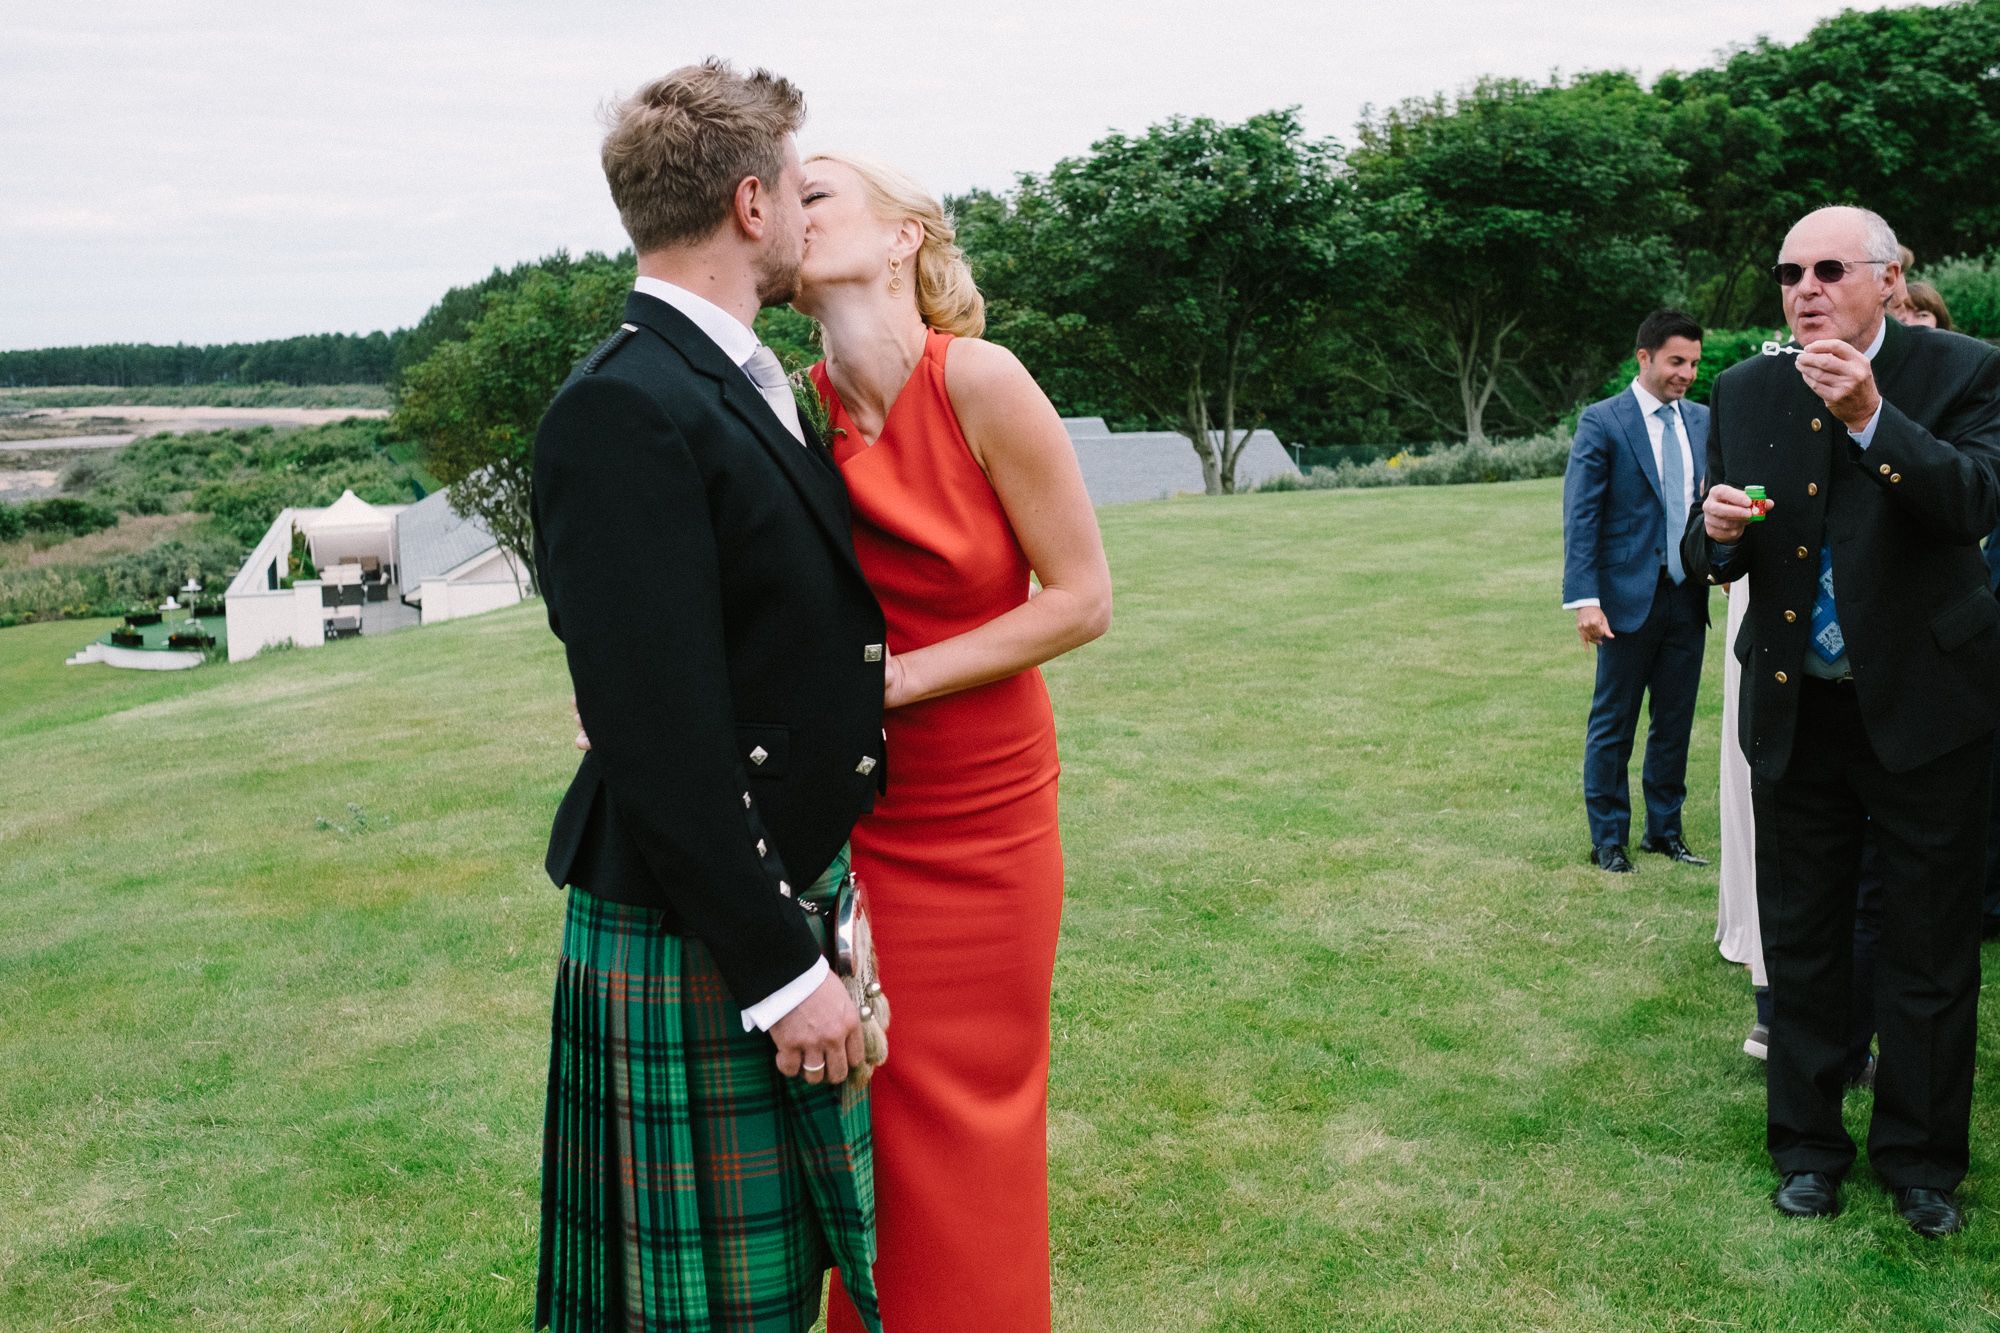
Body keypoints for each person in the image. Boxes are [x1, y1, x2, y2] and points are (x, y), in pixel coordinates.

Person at [530, 61, 889, 1330]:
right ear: (750, 203)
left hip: (768, 890)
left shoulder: (731, 376)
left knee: (775, 1291)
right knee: (706, 1315)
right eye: (797, 187)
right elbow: (660, 736)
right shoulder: (624, 404)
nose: (805, 212)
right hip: (699, 922)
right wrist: (783, 974)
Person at [797, 153, 1112, 1331]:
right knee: (864, 1136)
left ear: (902, 236)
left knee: (972, 1135)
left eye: (818, 186)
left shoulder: (979, 380)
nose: (790, 202)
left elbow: (1078, 598)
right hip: (854, 827)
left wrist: (891, 682)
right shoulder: (791, 413)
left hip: (986, 832)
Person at [1686, 205, 2000, 1238]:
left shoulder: (1961, 370)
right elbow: (1711, 551)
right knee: (1806, 941)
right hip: (1798, 709)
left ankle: (1918, 1162)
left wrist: (1871, 417)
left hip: (1925, 710)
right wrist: (1714, 533)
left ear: (1886, 275)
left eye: (1827, 268)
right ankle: (1807, 1151)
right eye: (1787, 272)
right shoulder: (1742, 389)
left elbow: (1969, 504)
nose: (1804, 288)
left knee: (1925, 945)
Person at [1561, 310, 1712, 873]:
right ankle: (1608, 841)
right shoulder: (1603, 421)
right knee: (1614, 723)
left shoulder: (1700, 420)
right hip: (1623, 600)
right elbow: (1582, 517)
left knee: (1674, 722)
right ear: (1643, 357)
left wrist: (1718, 566)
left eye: (1695, 363)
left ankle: (1664, 833)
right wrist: (1586, 599)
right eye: (1677, 361)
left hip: (1686, 596)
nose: (1688, 374)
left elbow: (1706, 507)